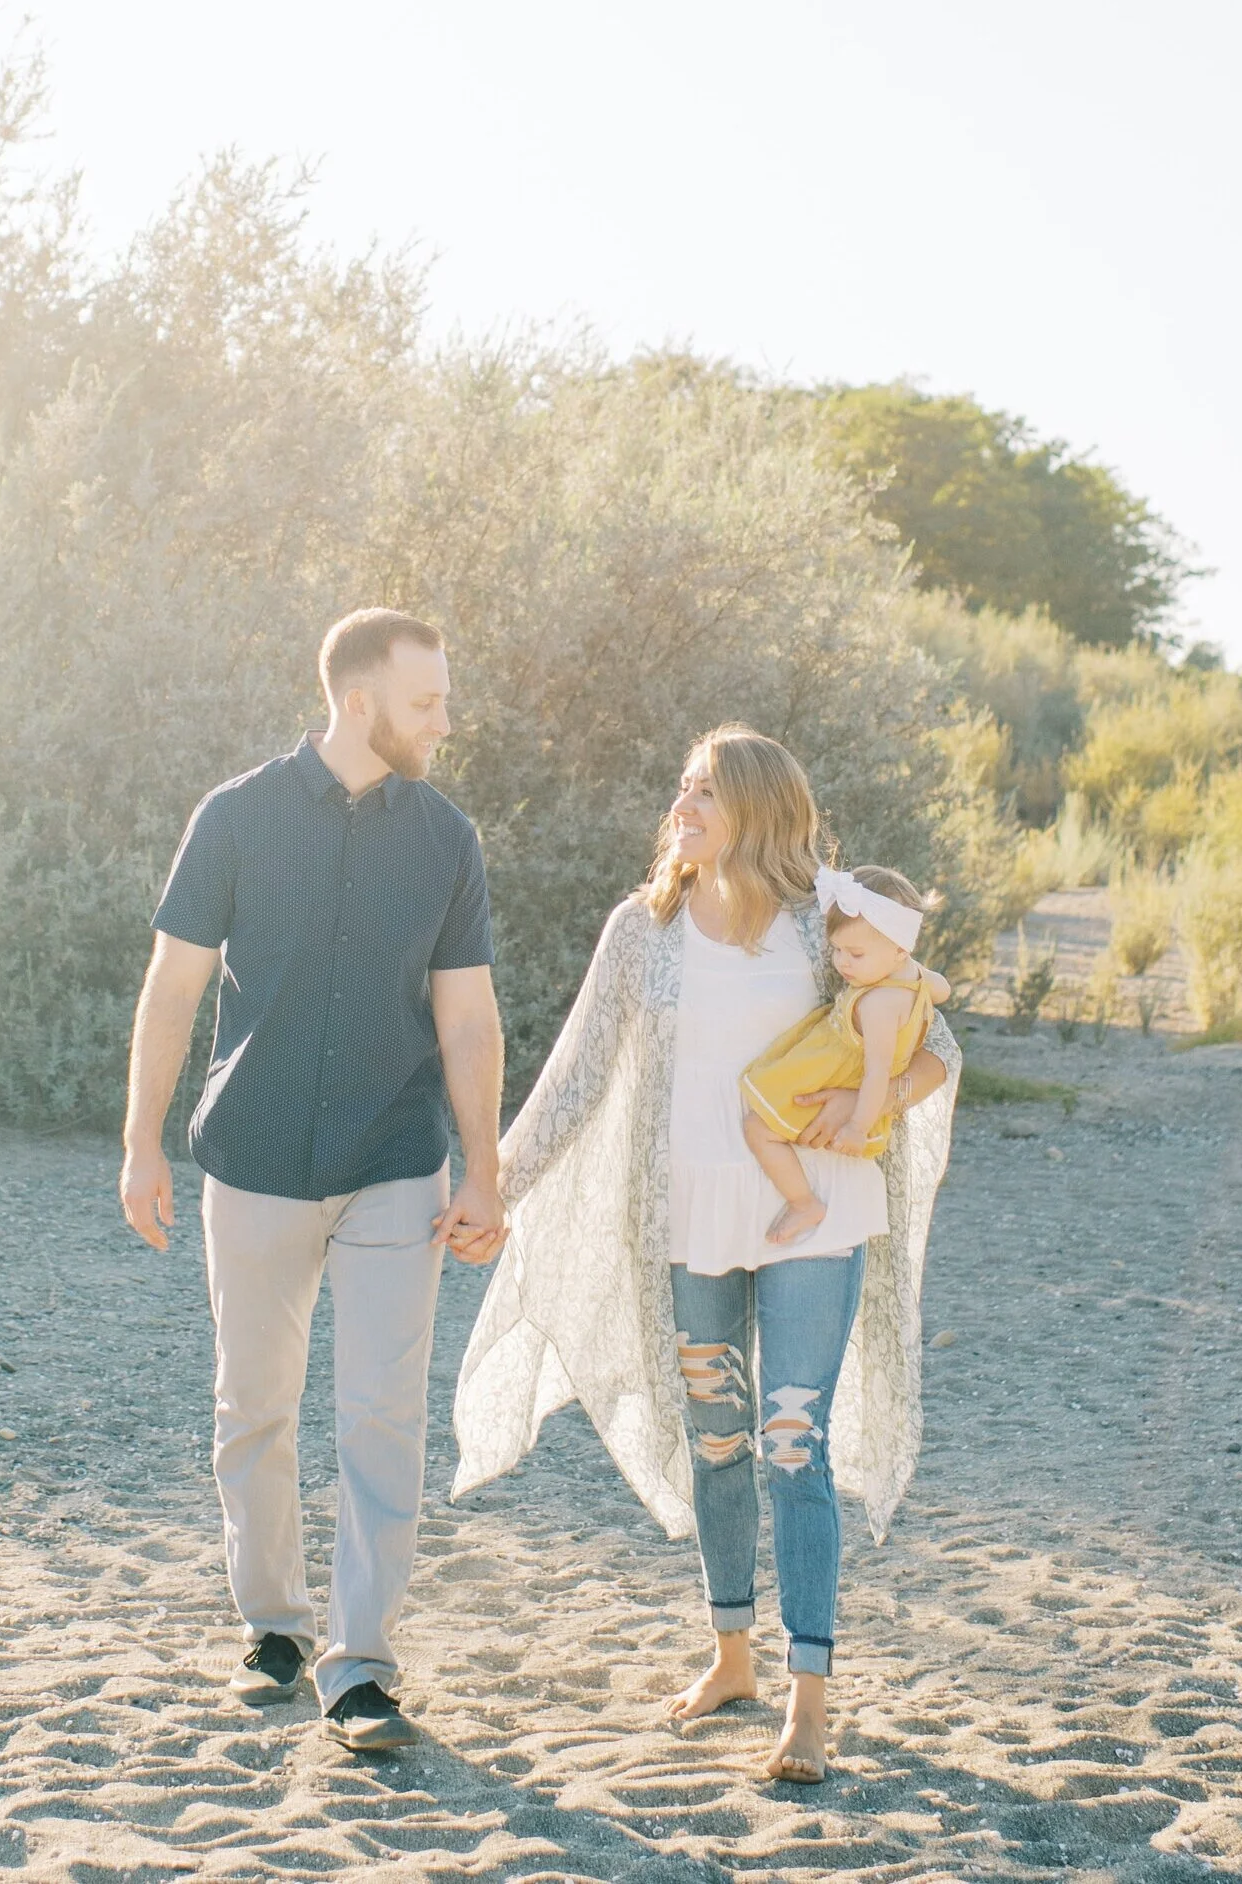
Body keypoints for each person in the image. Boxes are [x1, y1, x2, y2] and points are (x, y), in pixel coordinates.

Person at [451, 725, 959, 1786]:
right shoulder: (644, 931)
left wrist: (863, 1102)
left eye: (705, 791)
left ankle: (808, 1703)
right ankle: (731, 1655)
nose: (681, 805)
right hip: (690, 1217)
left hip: (814, 1209)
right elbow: (580, 1075)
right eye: (679, 786)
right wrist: (496, 1182)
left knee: (789, 1442)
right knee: (718, 1439)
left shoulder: (829, 927)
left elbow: (936, 1044)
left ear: (761, 812)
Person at [120, 608, 507, 1755]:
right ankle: (275, 1629)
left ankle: (362, 1665)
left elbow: (468, 1014)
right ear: (356, 699)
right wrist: (142, 1141)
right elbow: (172, 990)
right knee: (256, 1409)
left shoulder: (446, 838)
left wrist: (484, 1166)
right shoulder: (235, 818)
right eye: (425, 700)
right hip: (253, 1156)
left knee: (383, 1417)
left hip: (397, 1159)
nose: (444, 719)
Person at [739, 865, 950, 1247]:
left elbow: (877, 1073)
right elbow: (943, 989)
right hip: (843, 1068)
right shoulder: (912, 977)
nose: (842, 963)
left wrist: (856, 1125)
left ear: (900, 948)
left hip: (832, 1081)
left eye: (855, 953)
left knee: (758, 1129)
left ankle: (803, 1202)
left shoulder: (879, 1005)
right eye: (836, 949)